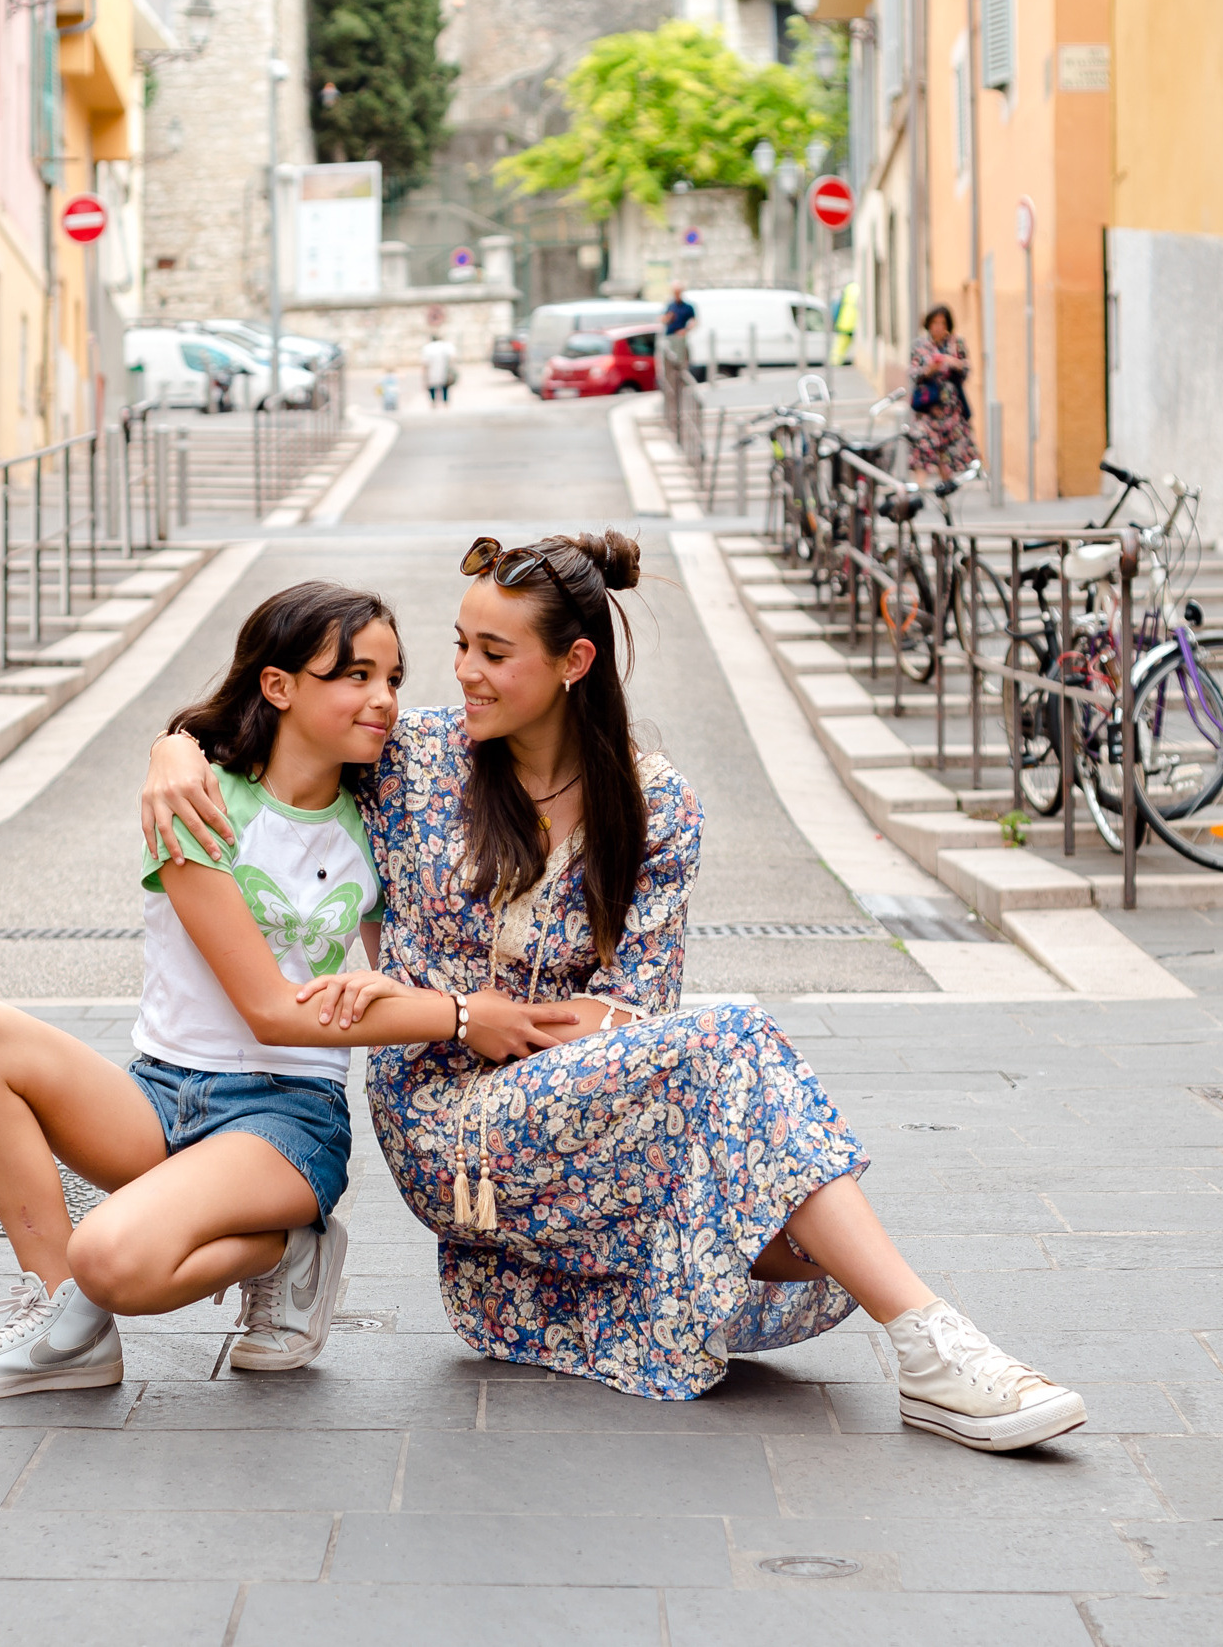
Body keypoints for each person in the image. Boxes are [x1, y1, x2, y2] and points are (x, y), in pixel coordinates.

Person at [144, 533, 1087, 1452]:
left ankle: (927, 1341)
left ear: (573, 662)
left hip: (583, 1106)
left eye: (494, 652)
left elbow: (634, 1009)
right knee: (731, 1042)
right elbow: (271, 720)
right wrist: (172, 747)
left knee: (758, 1174)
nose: (461, 673)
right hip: (441, 1121)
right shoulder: (414, 758)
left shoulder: (655, 805)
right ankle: (930, 1341)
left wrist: (569, 1026)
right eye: (460, 647)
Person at [0, 581, 574, 1400]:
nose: (384, 700)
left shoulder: (380, 820)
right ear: (279, 686)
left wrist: (402, 991)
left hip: (286, 1119)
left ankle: (289, 1246)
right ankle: (64, 1324)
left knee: (114, 1258)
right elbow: (267, 1005)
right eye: (356, 675)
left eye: (395, 679)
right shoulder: (199, 802)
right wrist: (463, 1017)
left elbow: (383, 978)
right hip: (159, 1095)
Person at [907, 304, 977, 481]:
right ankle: (919, 495)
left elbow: (967, 370)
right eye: (934, 323)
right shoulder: (920, 346)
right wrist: (930, 369)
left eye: (942, 323)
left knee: (947, 456)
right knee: (922, 449)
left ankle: (945, 495)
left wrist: (955, 363)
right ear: (928, 325)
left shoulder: (956, 344)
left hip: (951, 411)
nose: (938, 327)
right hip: (929, 409)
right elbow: (913, 374)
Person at [421, 332, 455, 404]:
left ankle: (433, 402)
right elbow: (452, 358)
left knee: (432, 386)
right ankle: (445, 402)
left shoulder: (428, 348)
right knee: (444, 386)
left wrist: (424, 375)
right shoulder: (445, 346)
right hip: (444, 370)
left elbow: (425, 363)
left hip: (432, 371)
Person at [830, 280, 858, 366]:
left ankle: (835, 363)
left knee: (839, 347)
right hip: (850, 326)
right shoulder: (856, 293)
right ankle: (835, 363)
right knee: (841, 347)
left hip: (842, 325)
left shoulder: (843, 297)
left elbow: (834, 311)